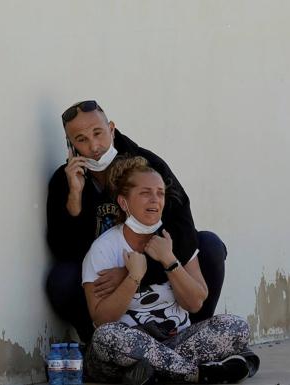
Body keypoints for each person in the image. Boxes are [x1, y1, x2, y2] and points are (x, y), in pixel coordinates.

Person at [45, 100, 227, 342]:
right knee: (61, 279)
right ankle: (99, 346)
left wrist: (136, 271)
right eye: (81, 139)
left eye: (98, 133)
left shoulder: (147, 166)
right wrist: (75, 200)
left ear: (111, 129)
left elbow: (181, 224)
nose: (94, 146)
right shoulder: (64, 180)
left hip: (154, 267)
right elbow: (62, 250)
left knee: (210, 246)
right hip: (104, 282)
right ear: (70, 144)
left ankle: (195, 338)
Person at [82, 156, 255, 384]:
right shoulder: (104, 248)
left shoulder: (176, 241)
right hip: (128, 349)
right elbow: (102, 320)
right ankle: (198, 374)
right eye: (145, 193)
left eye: (160, 193)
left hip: (173, 340)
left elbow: (195, 303)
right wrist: (133, 277)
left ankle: (155, 373)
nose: (155, 199)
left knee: (236, 326)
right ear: (124, 202)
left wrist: (170, 261)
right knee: (106, 337)